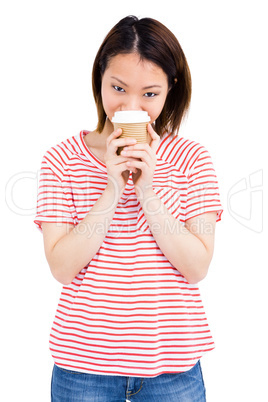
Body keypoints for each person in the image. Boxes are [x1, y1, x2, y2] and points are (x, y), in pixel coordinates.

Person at [35, 15, 223, 402]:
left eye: (150, 94)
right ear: (99, 79)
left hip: (173, 370)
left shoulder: (192, 160)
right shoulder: (60, 161)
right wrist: (111, 188)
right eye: (118, 88)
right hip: (82, 368)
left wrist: (149, 193)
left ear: (171, 89)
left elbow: (197, 267)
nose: (131, 105)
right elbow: (61, 267)